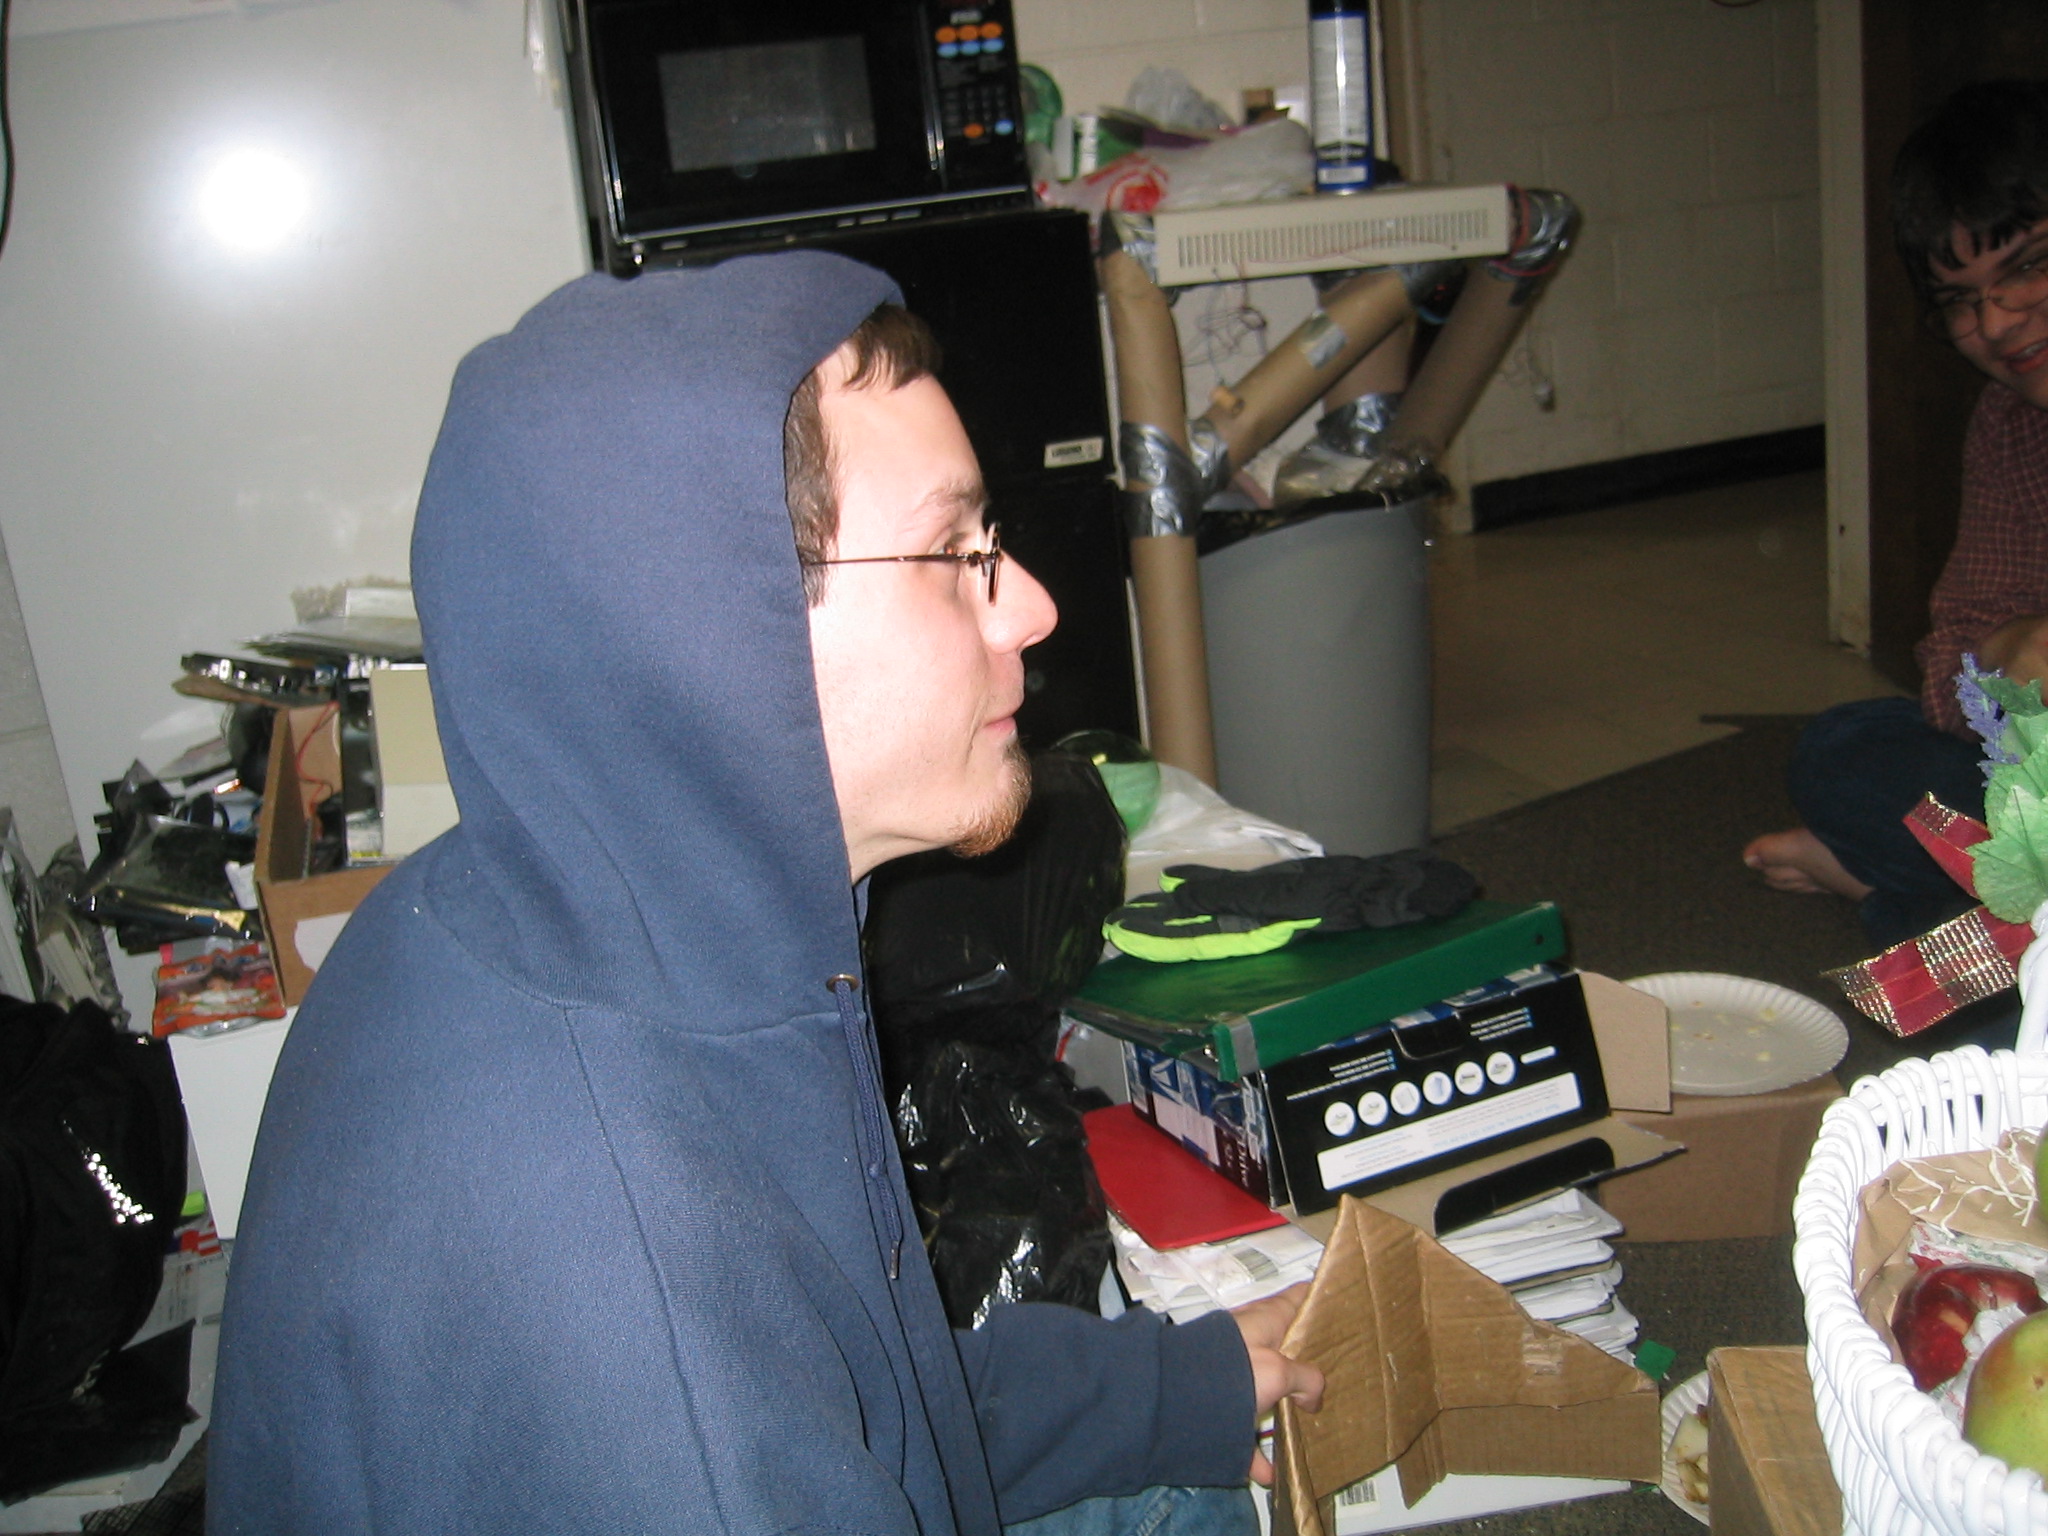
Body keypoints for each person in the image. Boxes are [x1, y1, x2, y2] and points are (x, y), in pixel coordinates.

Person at [207, 250, 1322, 1536]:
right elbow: (734, 1421)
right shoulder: (641, 1308)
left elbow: (856, 1390)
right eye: (952, 551)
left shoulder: (538, 911)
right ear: (714, 637)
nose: (1028, 604)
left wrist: (1166, 1388)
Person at [1744, 80, 2048, 951]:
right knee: (1848, 751)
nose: (1997, 321)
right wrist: (2014, 649)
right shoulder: (2009, 424)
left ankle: (1916, 906)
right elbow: (1948, 670)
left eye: (2027, 265)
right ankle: (1994, 920)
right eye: (1960, 300)